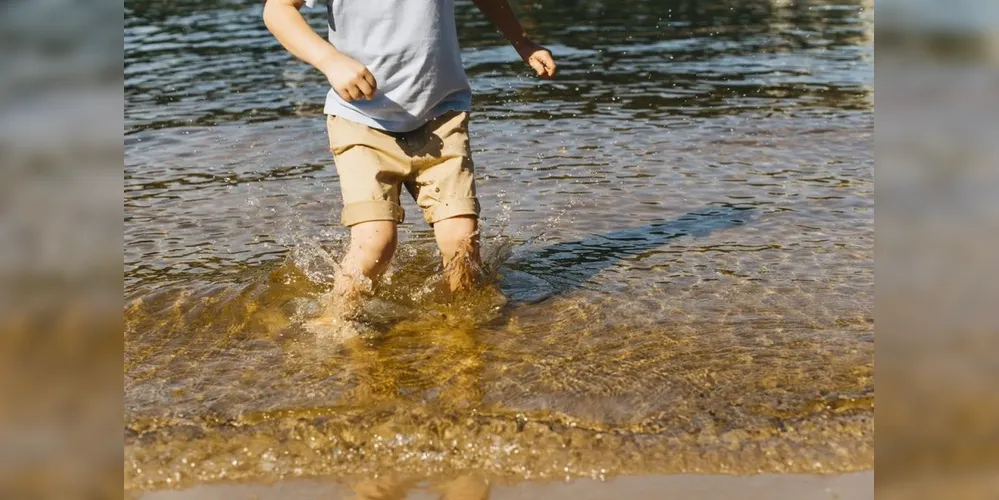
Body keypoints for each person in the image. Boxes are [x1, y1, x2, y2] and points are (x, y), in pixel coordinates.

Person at [263, 0, 556, 304]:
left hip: (440, 115)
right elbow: (278, 10)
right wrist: (330, 60)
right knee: (376, 245)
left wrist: (522, 42)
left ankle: (465, 334)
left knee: (462, 243)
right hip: (361, 119)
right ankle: (335, 324)